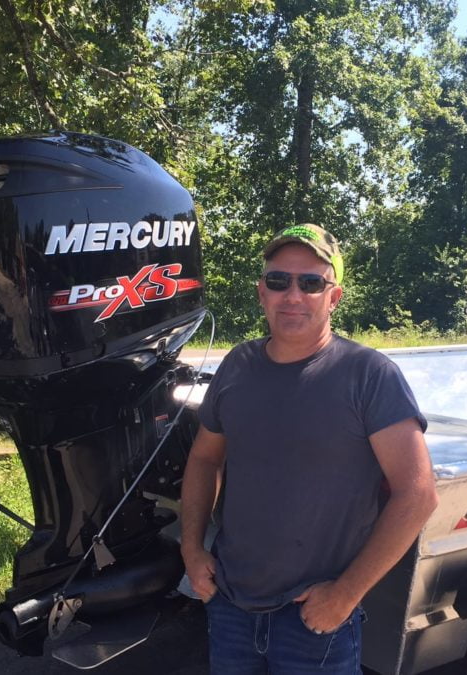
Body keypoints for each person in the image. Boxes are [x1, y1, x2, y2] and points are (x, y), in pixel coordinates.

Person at [179, 223, 439, 673]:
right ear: (262, 292)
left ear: (333, 297)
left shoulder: (369, 376)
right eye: (279, 281)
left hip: (315, 621)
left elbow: (417, 495)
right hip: (230, 606)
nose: (292, 295)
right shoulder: (237, 365)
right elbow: (204, 458)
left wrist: (345, 595)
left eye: (311, 282)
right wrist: (191, 551)